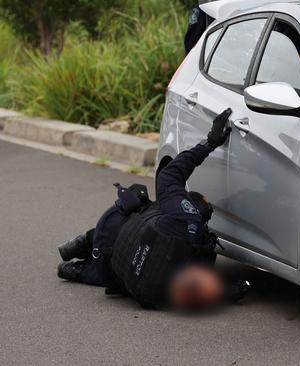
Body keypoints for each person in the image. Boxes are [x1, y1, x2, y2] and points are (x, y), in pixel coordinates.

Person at [56, 109, 248, 310]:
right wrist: (229, 291)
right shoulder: (203, 248)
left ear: (193, 203)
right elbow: (198, 287)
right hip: (117, 277)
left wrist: (209, 142)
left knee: (138, 210)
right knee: (128, 265)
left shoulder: (181, 213)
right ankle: (77, 270)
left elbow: (169, 175)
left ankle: (83, 242)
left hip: (107, 231)